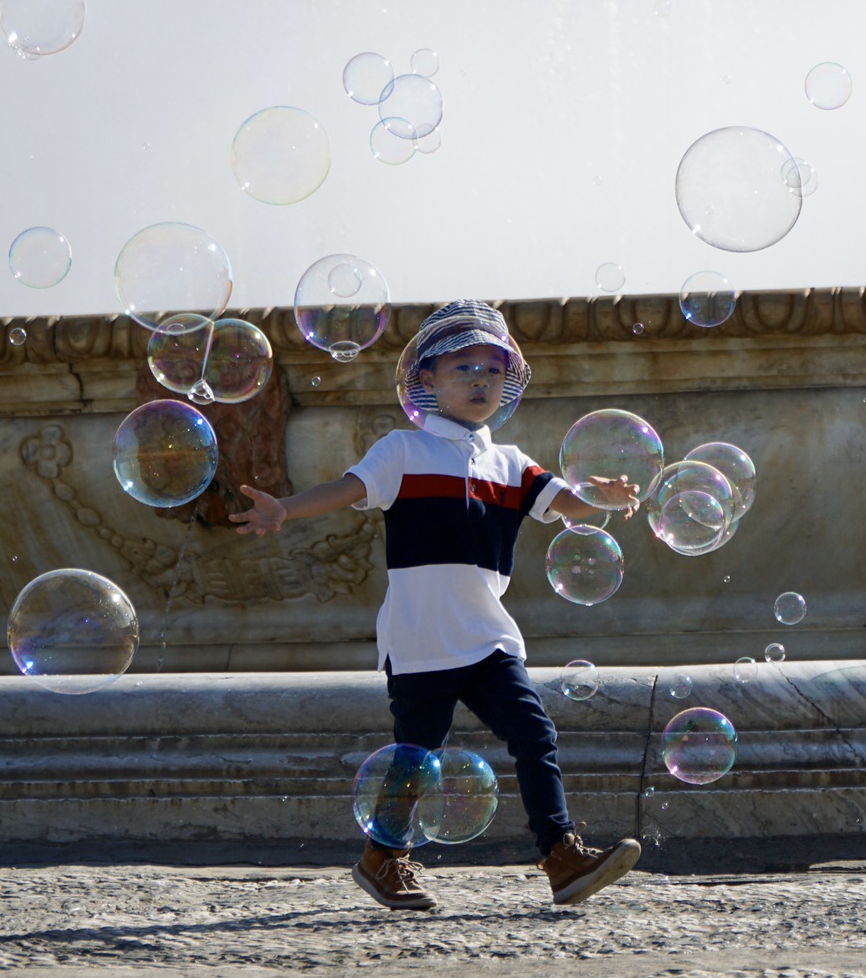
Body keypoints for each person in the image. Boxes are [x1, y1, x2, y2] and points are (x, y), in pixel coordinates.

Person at [232, 299, 643, 911]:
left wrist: (601, 495)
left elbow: (567, 505)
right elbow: (349, 489)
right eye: (463, 368)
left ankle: (560, 856)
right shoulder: (402, 451)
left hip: (488, 637)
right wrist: (286, 508)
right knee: (415, 759)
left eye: (493, 370)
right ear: (426, 381)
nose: (480, 381)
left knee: (535, 734)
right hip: (421, 638)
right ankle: (382, 859)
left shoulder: (512, 465)